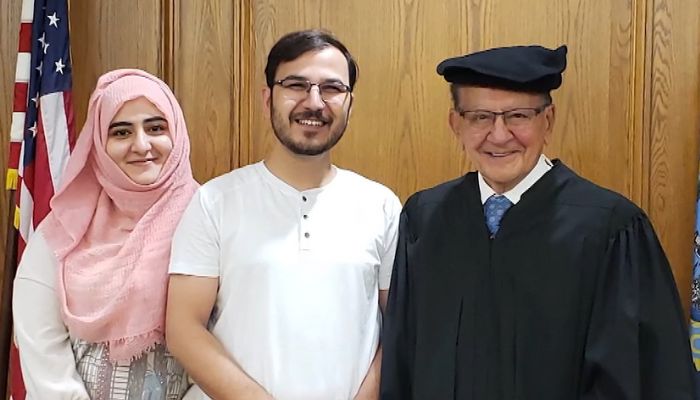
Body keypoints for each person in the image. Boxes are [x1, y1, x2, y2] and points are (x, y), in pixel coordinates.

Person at [380, 45, 696, 399]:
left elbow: (642, 376)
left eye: (518, 116)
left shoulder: (609, 229)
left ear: (547, 121)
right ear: (456, 124)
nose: (499, 135)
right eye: (480, 117)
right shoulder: (425, 218)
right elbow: (401, 362)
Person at [165, 29, 401, 400]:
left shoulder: (381, 205)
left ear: (350, 104)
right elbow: (183, 329)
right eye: (296, 85)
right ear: (267, 99)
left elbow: (401, 328)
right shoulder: (215, 201)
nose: (314, 102)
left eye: (332, 88)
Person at [12, 69, 199, 399]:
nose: (141, 145)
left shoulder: (209, 221)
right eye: (121, 132)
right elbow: (42, 351)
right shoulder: (64, 230)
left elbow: (231, 336)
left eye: (155, 127)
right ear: (99, 143)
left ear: (177, 134)